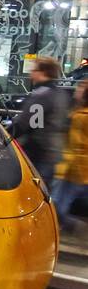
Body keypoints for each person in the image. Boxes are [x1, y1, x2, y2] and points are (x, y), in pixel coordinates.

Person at [12, 57, 70, 184]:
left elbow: (28, 124)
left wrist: (6, 136)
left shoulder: (42, 95)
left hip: (38, 152)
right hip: (52, 151)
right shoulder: (61, 93)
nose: (31, 73)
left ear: (43, 72)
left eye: (34, 70)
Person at [52, 81, 88, 236]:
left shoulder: (82, 116)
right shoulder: (78, 112)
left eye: (81, 88)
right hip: (72, 166)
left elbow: (78, 145)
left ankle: (76, 227)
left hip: (75, 167)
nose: (77, 90)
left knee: (58, 205)